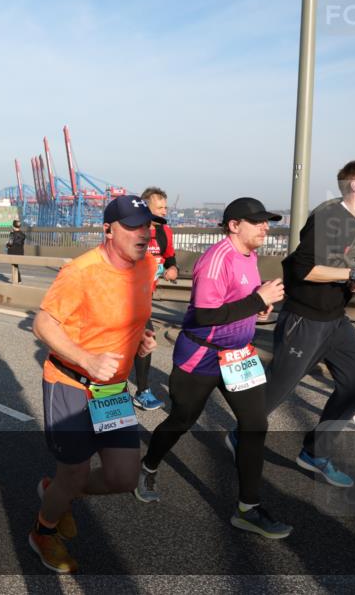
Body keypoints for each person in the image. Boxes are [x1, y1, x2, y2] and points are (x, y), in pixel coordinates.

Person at [135, 197, 292, 539]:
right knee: (182, 420)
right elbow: (206, 315)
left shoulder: (250, 256)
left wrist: (257, 308)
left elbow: (237, 301)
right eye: (258, 222)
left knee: (255, 425)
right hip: (202, 356)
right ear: (234, 225)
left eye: (267, 222)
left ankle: (248, 509)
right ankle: (148, 466)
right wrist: (258, 300)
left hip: (238, 356)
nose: (266, 227)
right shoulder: (215, 259)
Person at [230, 161, 355, 487]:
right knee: (278, 388)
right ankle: (241, 434)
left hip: (335, 320)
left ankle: (315, 452)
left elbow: (337, 268)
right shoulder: (329, 217)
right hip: (305, 318)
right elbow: (303, 269)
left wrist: (353, 282)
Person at [30, 194, 158, 573]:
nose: (143, 233)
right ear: (108, 230)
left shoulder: (148, 265)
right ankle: (43, 531)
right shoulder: (81, 272)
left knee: (123, 477)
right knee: (75, 473)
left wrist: (140, 337)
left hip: (113, 390)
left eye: (146, 225)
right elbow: (43, 324)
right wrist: (87, 359)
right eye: (132, 226)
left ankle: (57, 491)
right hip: (71, 383)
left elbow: (130, 314)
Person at [131, 187, 180, 411]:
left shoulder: (164, 231)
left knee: (142, 341)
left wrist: (173, 268)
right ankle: (135, 392)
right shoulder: (132, 229)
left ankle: (139, 392)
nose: (164, 211)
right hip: (124, 296)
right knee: (139, 339)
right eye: (159, 207)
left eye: (165, 207)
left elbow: (170, 257)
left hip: (145, 297)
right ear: (145, 208)